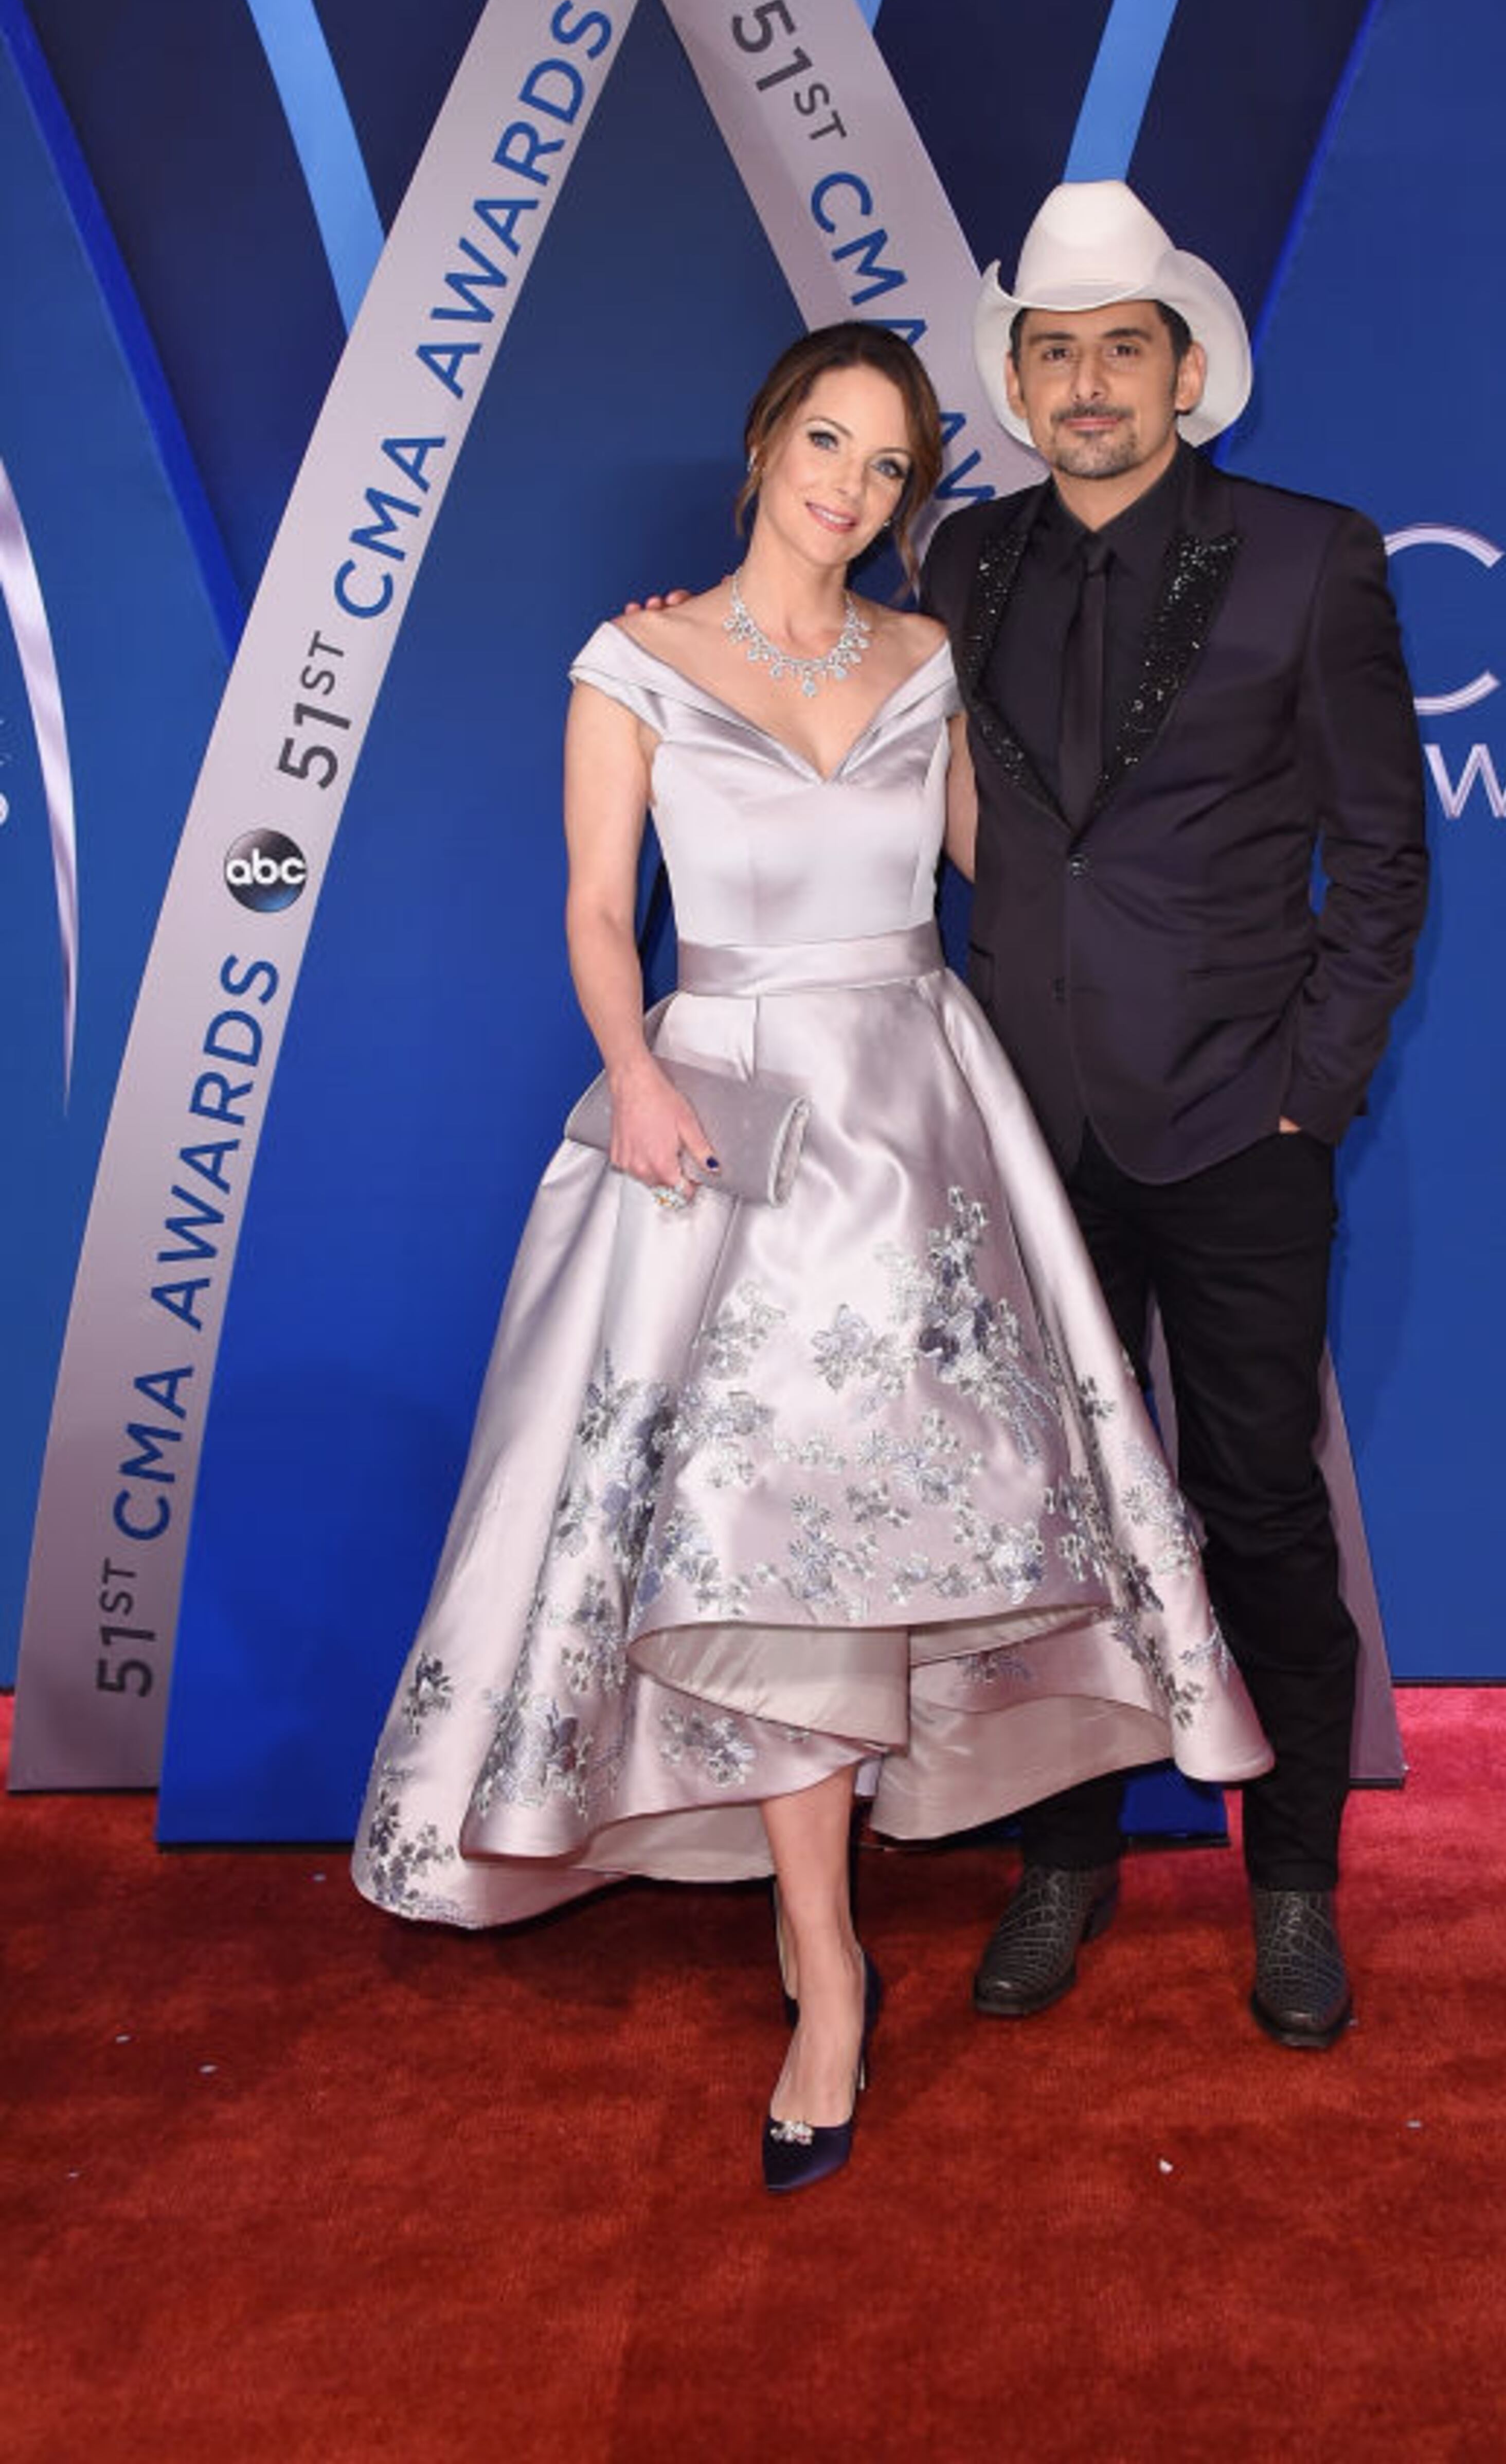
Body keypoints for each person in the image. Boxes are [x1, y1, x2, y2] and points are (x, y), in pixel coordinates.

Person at [351, 318, 1267, 2193]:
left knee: (889, 1521)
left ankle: (824, 1924)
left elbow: (1030, 878)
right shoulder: (634, 659)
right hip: (724, 1126)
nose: (849, 489)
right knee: (753, 1535)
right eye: (827, 444)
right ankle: (827, 1959)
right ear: (767, 437)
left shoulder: (931, 663)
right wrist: (631, 1077)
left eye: (888, 468)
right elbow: (605, 912)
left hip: (922, 1127)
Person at [918, 182, 1428, 2050]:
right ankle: (1065, 1856)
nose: (1086, 386)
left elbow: (1383, 857)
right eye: (1053, 355)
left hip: (1237, 1129)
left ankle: (1291, 1877)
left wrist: (1313, 1096)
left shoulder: (1313, 559)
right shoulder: (964, 567)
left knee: (1259, 1512)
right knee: (1048, 1525)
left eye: (1120, 348)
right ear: (1022, 386)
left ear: (1187, 371)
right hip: (1028, 1135)